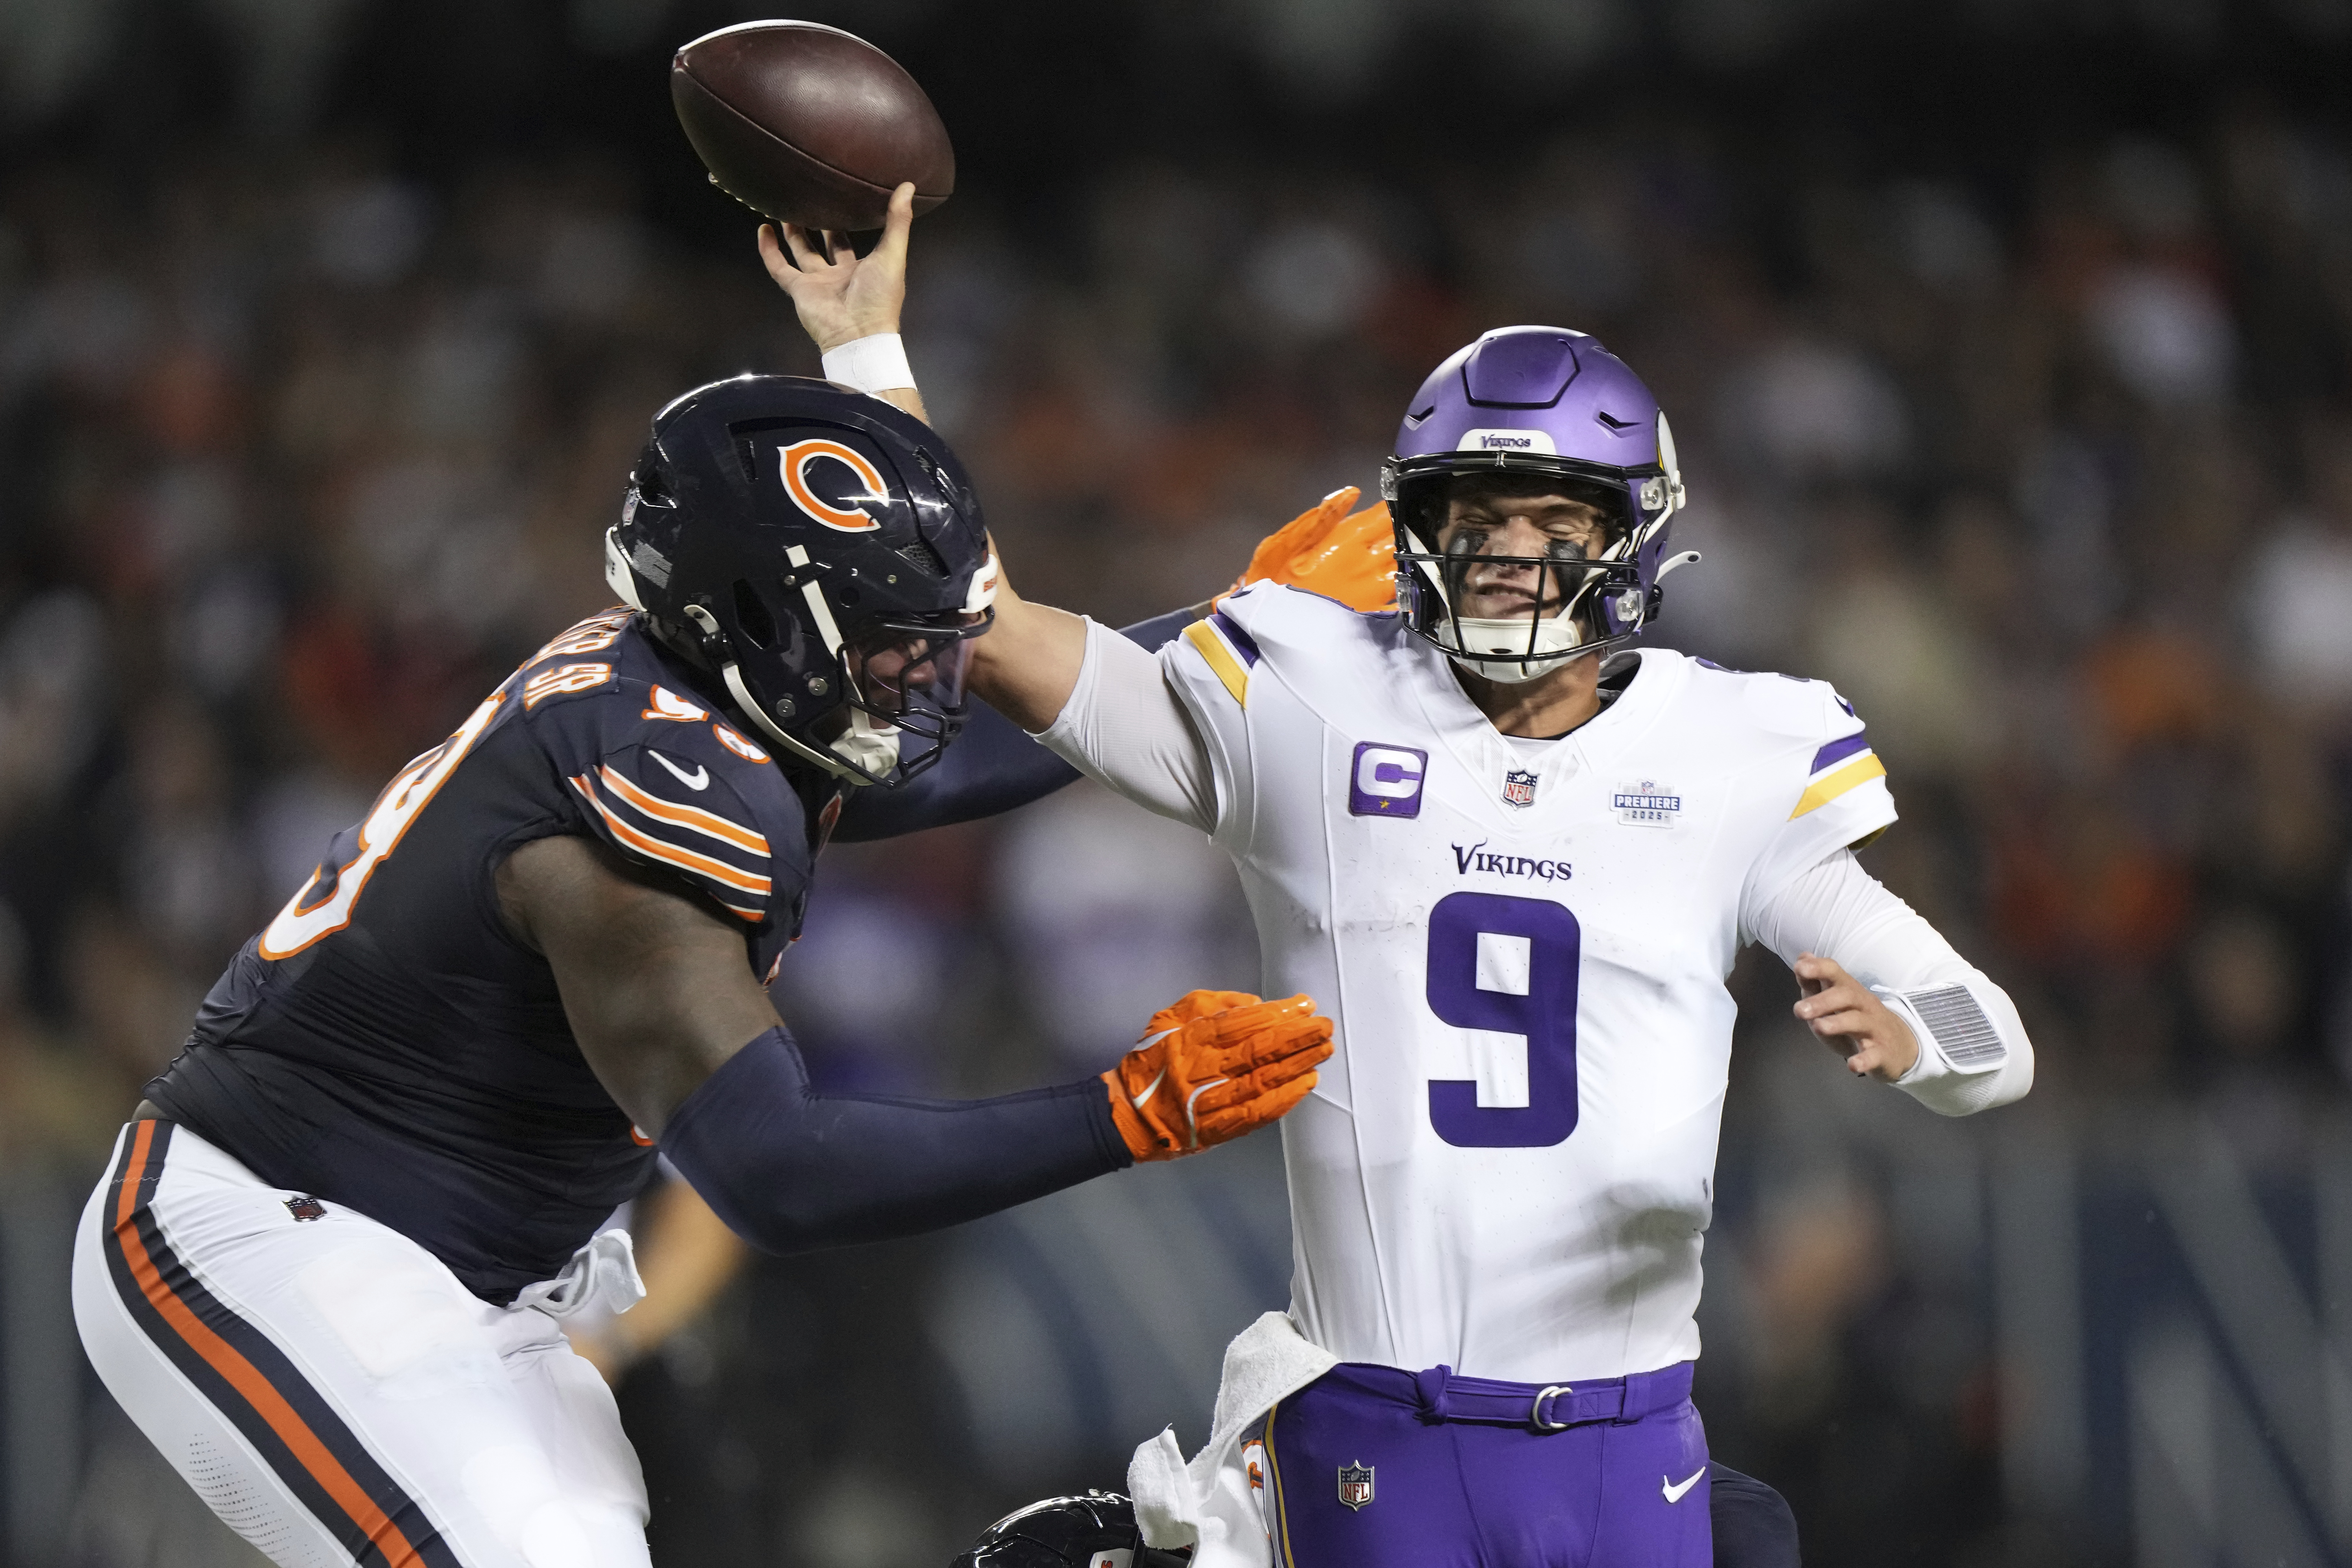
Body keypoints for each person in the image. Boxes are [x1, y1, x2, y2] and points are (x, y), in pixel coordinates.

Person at [70, 304, 1335, 1564]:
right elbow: (775, 1168)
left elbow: (977, 751)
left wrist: (1247, 630)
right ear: (762, 620)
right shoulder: (635, 807)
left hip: (465, 1275)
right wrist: (1124, 1111)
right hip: (271, 1235)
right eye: (892, 640)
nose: (929, 672)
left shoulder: (699, 690)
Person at [916, 300, 2035, 1562]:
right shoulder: (1309, 694)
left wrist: (1915, 1040)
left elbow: (1992, 1033)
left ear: (1633, 537)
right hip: (1369, 1424)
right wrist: (866, 346)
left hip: (1629, 1438)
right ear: (1420, 527)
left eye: (1558, 524)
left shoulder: (1730, 754)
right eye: (1476, 519)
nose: (1511, 555)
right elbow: (995, 631)